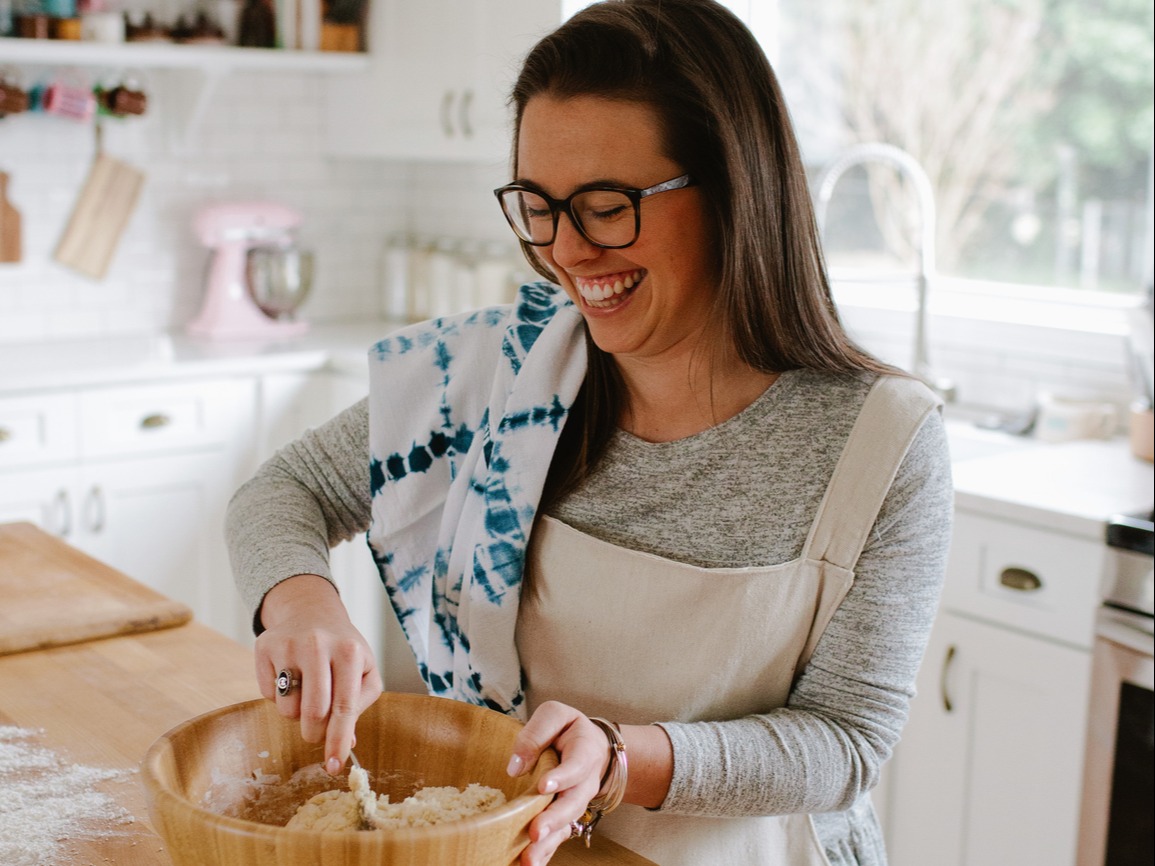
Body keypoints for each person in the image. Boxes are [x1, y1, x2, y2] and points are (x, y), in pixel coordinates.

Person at [225, 1, 954, 864]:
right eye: (538, 205)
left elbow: (845, 742)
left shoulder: (882, 442)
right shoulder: (495, 375)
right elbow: (283, 490)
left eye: (606, 206)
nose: (565, 251)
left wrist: (620, 759)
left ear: (732, 189)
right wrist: (304, 603)